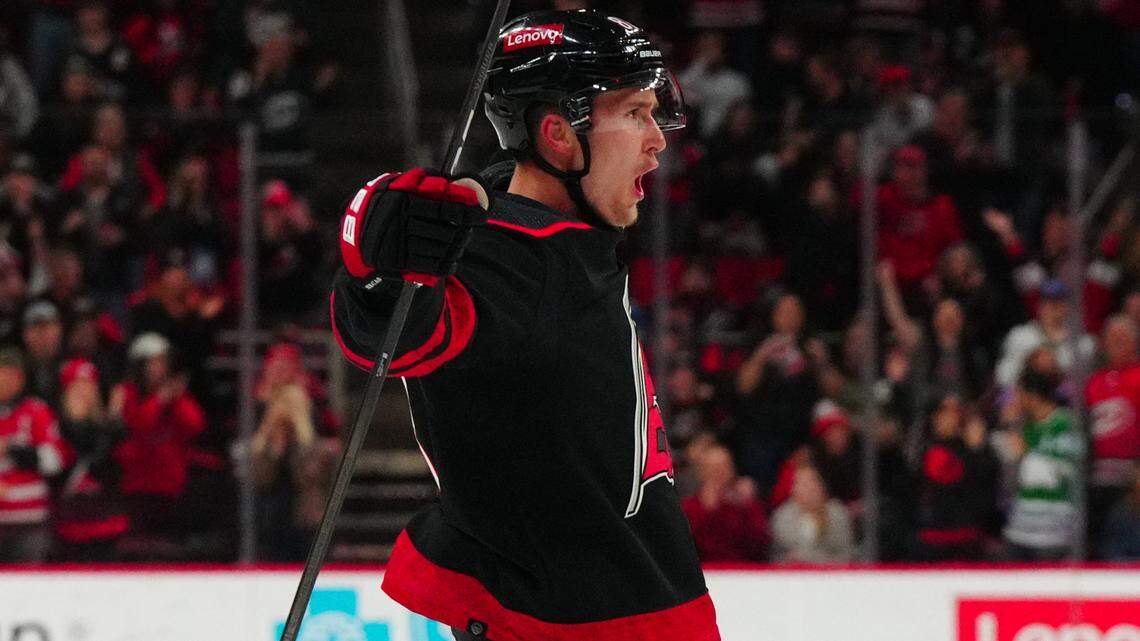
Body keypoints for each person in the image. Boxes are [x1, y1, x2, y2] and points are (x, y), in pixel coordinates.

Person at [330, 10, 718, 641]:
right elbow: (402, 335)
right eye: (635, 113)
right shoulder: (502, 255)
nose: (658, 138)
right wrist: (380, 276)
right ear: (559, 134)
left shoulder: (550, 231)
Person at [1003, 358, 1082, 560]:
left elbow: (1068, 470)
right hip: (1020, 530)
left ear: (1032, 396)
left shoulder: (1066, 423)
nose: (1014, 400)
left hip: (1054, 533)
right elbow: (1013, 475)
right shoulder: (1025, 427)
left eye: (1018, 394)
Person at [0, 347, 67, 563]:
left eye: (13, 374)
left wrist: (12, 450)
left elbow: (55, 461)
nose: (6, 380)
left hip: (29, 524)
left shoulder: (36, 410)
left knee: (28, 588)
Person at [769, 464, 856, 564]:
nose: (809, 488)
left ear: (822, 486)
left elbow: (845, 555)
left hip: (830, 576)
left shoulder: (837, 514)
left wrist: (808, 558)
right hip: (790, 576)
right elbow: (775, 556)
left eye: (812, 481)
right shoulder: (782, 516)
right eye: (801, 483)